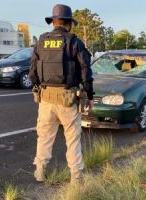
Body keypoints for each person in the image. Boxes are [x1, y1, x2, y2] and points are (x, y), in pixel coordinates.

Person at [29, 4, 94, 184]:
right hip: (68, 99)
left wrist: (38, 88)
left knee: (44, 138)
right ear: (69, 23)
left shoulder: (41, 41)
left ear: (54, 22)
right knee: (72, 139)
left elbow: (32, 71)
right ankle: (76, 178)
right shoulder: (74, 42)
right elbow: (86, 71)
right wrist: (89, 95)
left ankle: (40, 172)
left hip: (46, 100)